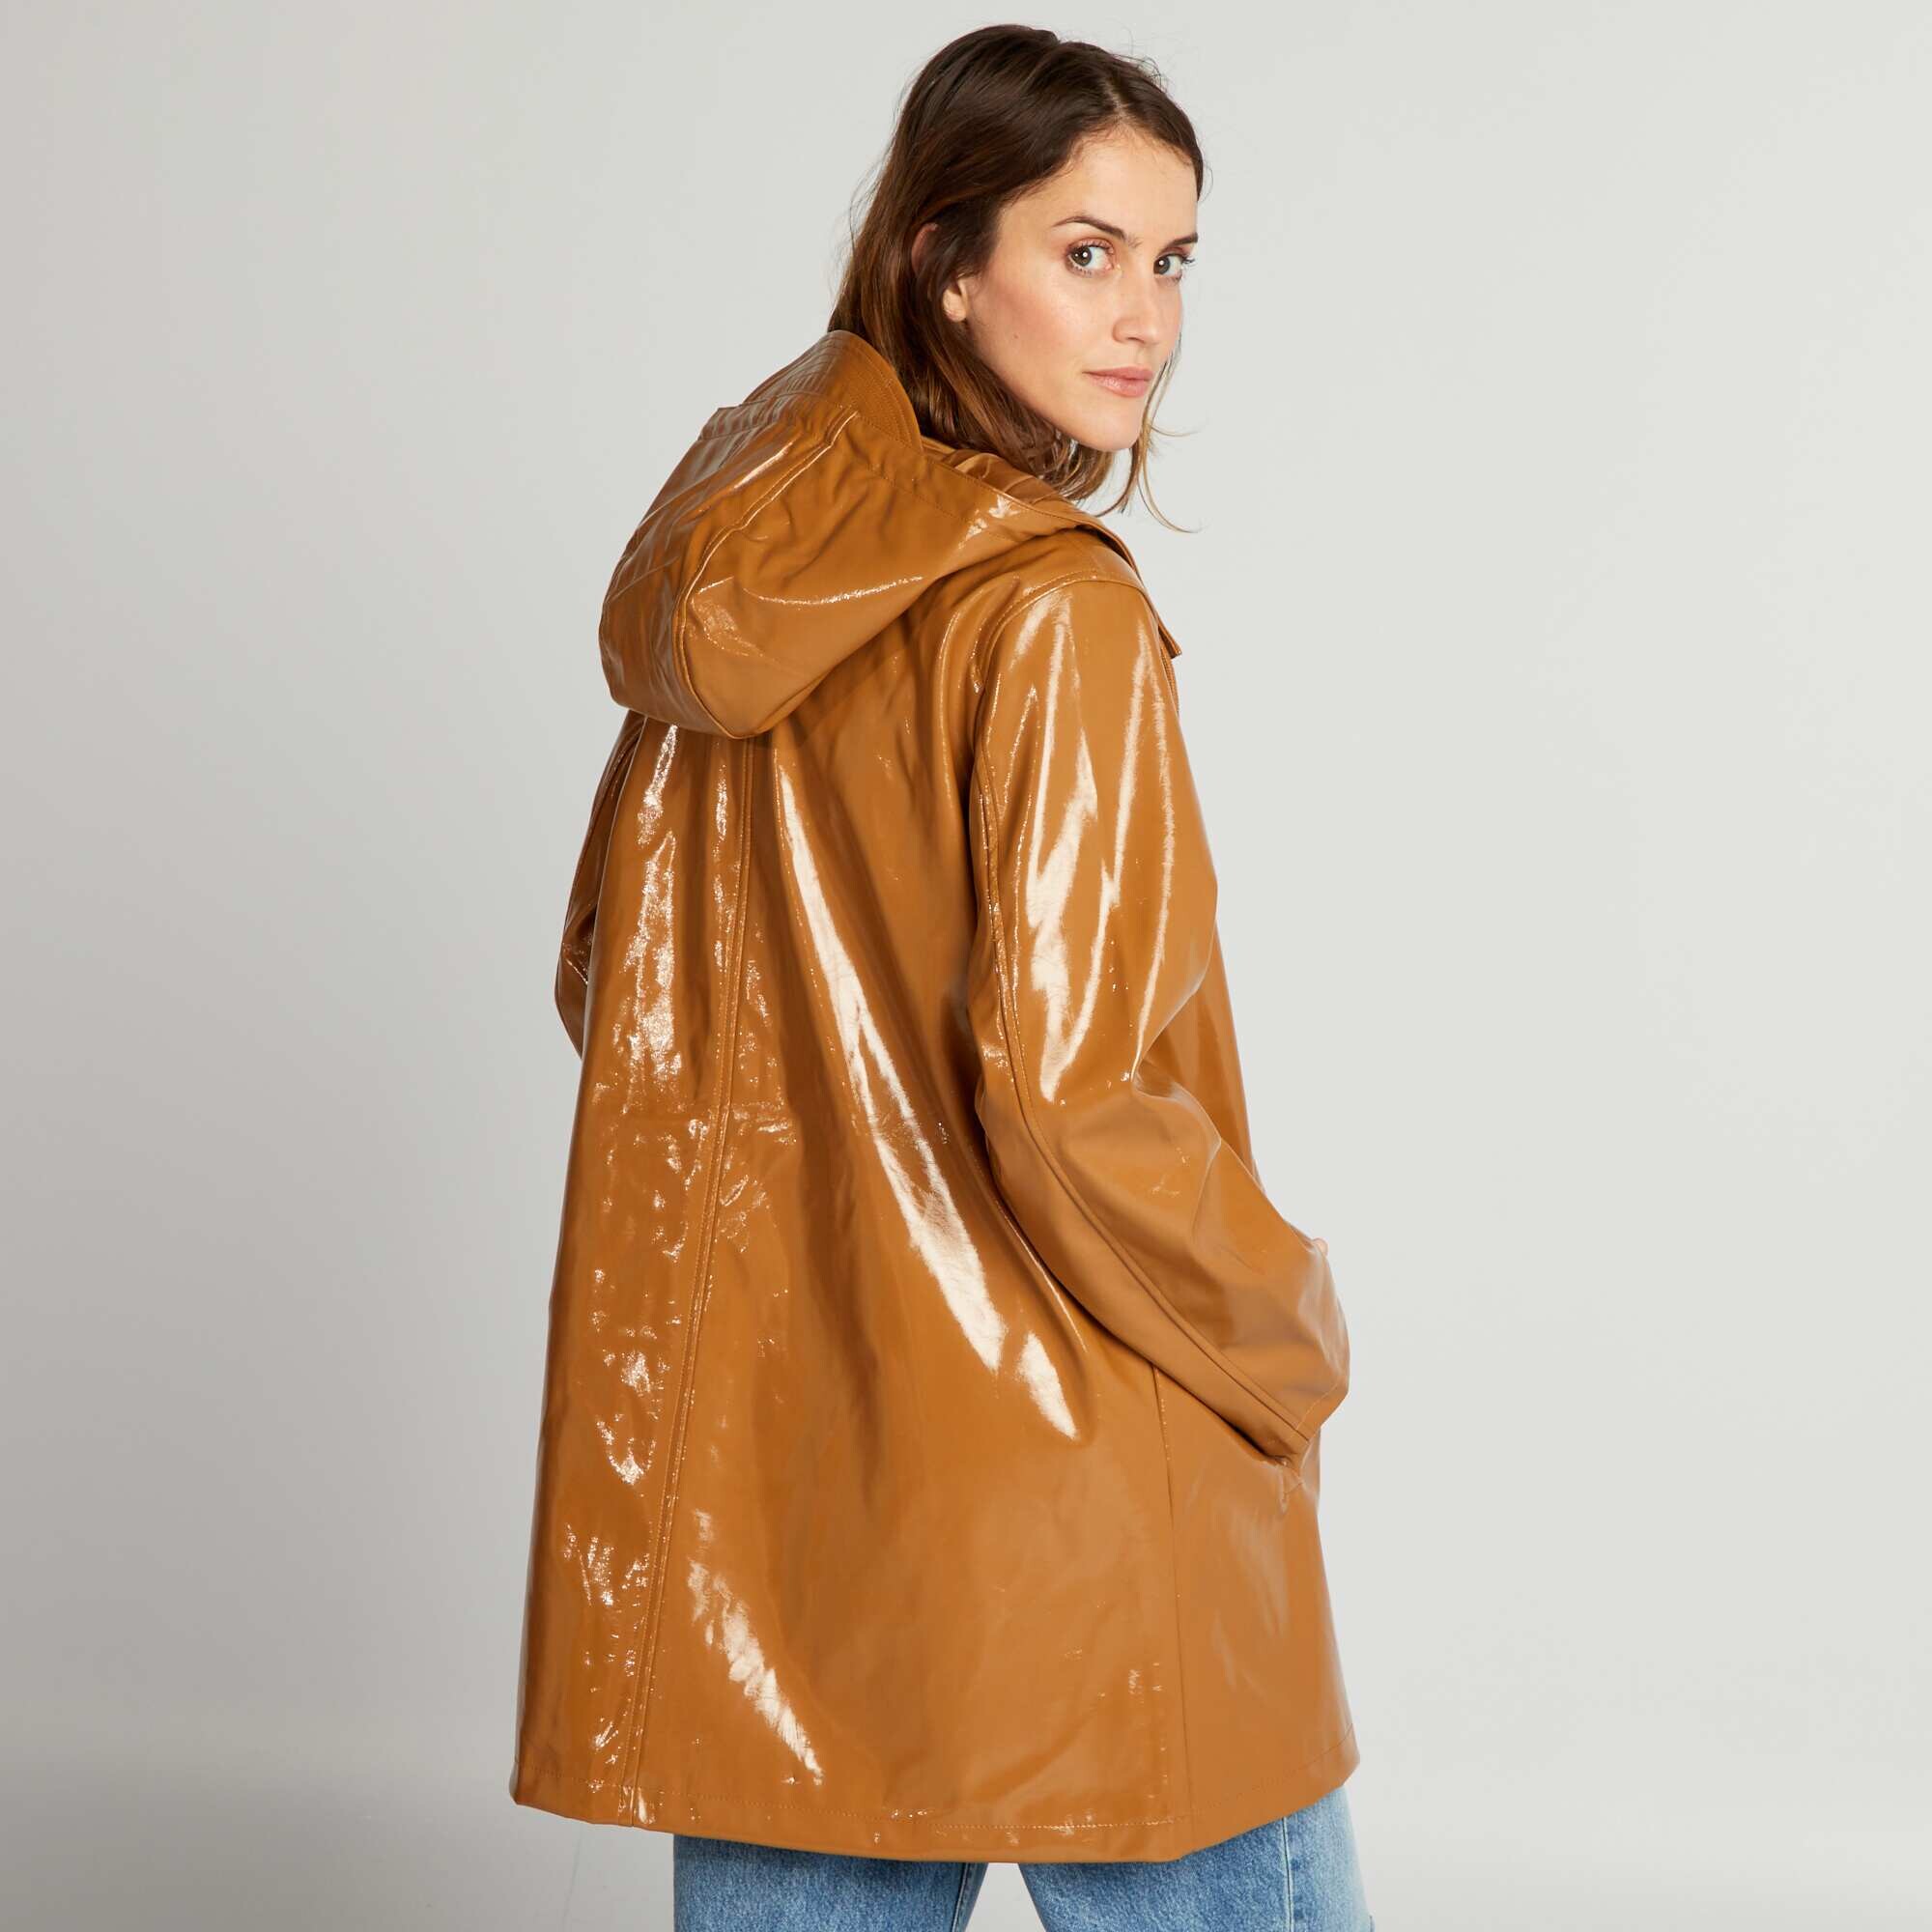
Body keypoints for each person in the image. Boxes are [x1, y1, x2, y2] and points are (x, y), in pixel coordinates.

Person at [509, 24, 1373, 1931]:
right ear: (942, 260)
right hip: (1090, 1491)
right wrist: (1283, 1325)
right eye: (1086, 251)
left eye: (1171, 259)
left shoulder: (728, 595)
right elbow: (1065, 1097)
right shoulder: (1051, 610)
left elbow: (613, 989)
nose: (1144, 317)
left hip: (789, 1504)